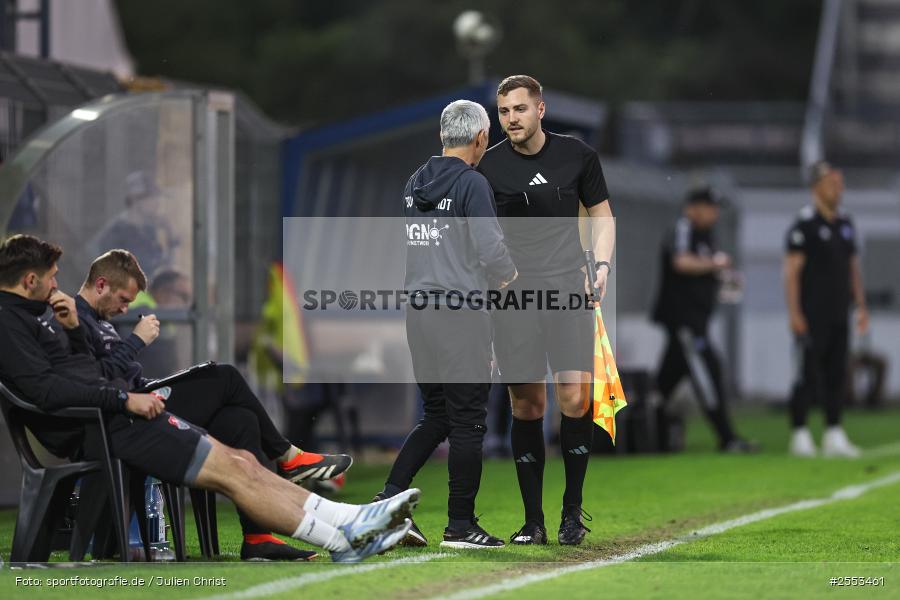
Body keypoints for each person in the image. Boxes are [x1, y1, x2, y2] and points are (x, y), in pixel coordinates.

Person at [0, 234, 418, 563]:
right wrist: (122, 398)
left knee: (242, 460)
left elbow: (79, 371)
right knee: (234, 463)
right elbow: (48, 391)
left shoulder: (40, 316)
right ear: (30, 280)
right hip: (108, 425)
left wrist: (75, 333)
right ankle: (341, 535)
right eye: (52, 276)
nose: (59, 284)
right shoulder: (11, 322)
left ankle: (351, 523)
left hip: (116, 417)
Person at [373, 100, 517, 549]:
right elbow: (490, 249)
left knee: (436, 414)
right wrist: (509, 275)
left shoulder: (414, 183)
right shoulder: (473, 183)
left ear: (442, 136)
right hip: (461, 313)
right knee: (470, 422)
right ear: (479, 139)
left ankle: (387, 502)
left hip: (420, 313)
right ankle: (460, 525)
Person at [476, 75, 613, 546]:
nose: (511, 119)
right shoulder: (488, 167)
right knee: (527, 404)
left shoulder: (578, 155)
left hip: (569, 291)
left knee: (574, 398)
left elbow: (602, 215)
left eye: (519, 109)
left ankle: (571, 512)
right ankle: (532, 522)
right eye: (504, 112)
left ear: (540, 109)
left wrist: (602, 266)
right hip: (514, 298)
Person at [651, 186, 758, 453]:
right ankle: (727, 437)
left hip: (696, 321)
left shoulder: (706, 235)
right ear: (693, 208)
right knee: (708, 371)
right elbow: (681, 262)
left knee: (663, 385)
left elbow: (706, 268)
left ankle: (627, 428)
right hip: (684, 321)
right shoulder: (683, 228)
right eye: (710, 207)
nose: (715, 213)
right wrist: (714, 265)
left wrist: (725, 278)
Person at [784, 161, 869, 457]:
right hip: (811, 313)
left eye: (841, 184)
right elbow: (792, 273)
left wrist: (860, 304)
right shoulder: (804, 225)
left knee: (837, 371)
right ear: (816, 187)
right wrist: (794, 313)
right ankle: (800, 432)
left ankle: (834, 431)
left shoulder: (845, 224)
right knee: (807, 372)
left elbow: (852, 267)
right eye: (833, 183)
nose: (839, 189)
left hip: (839, 312)